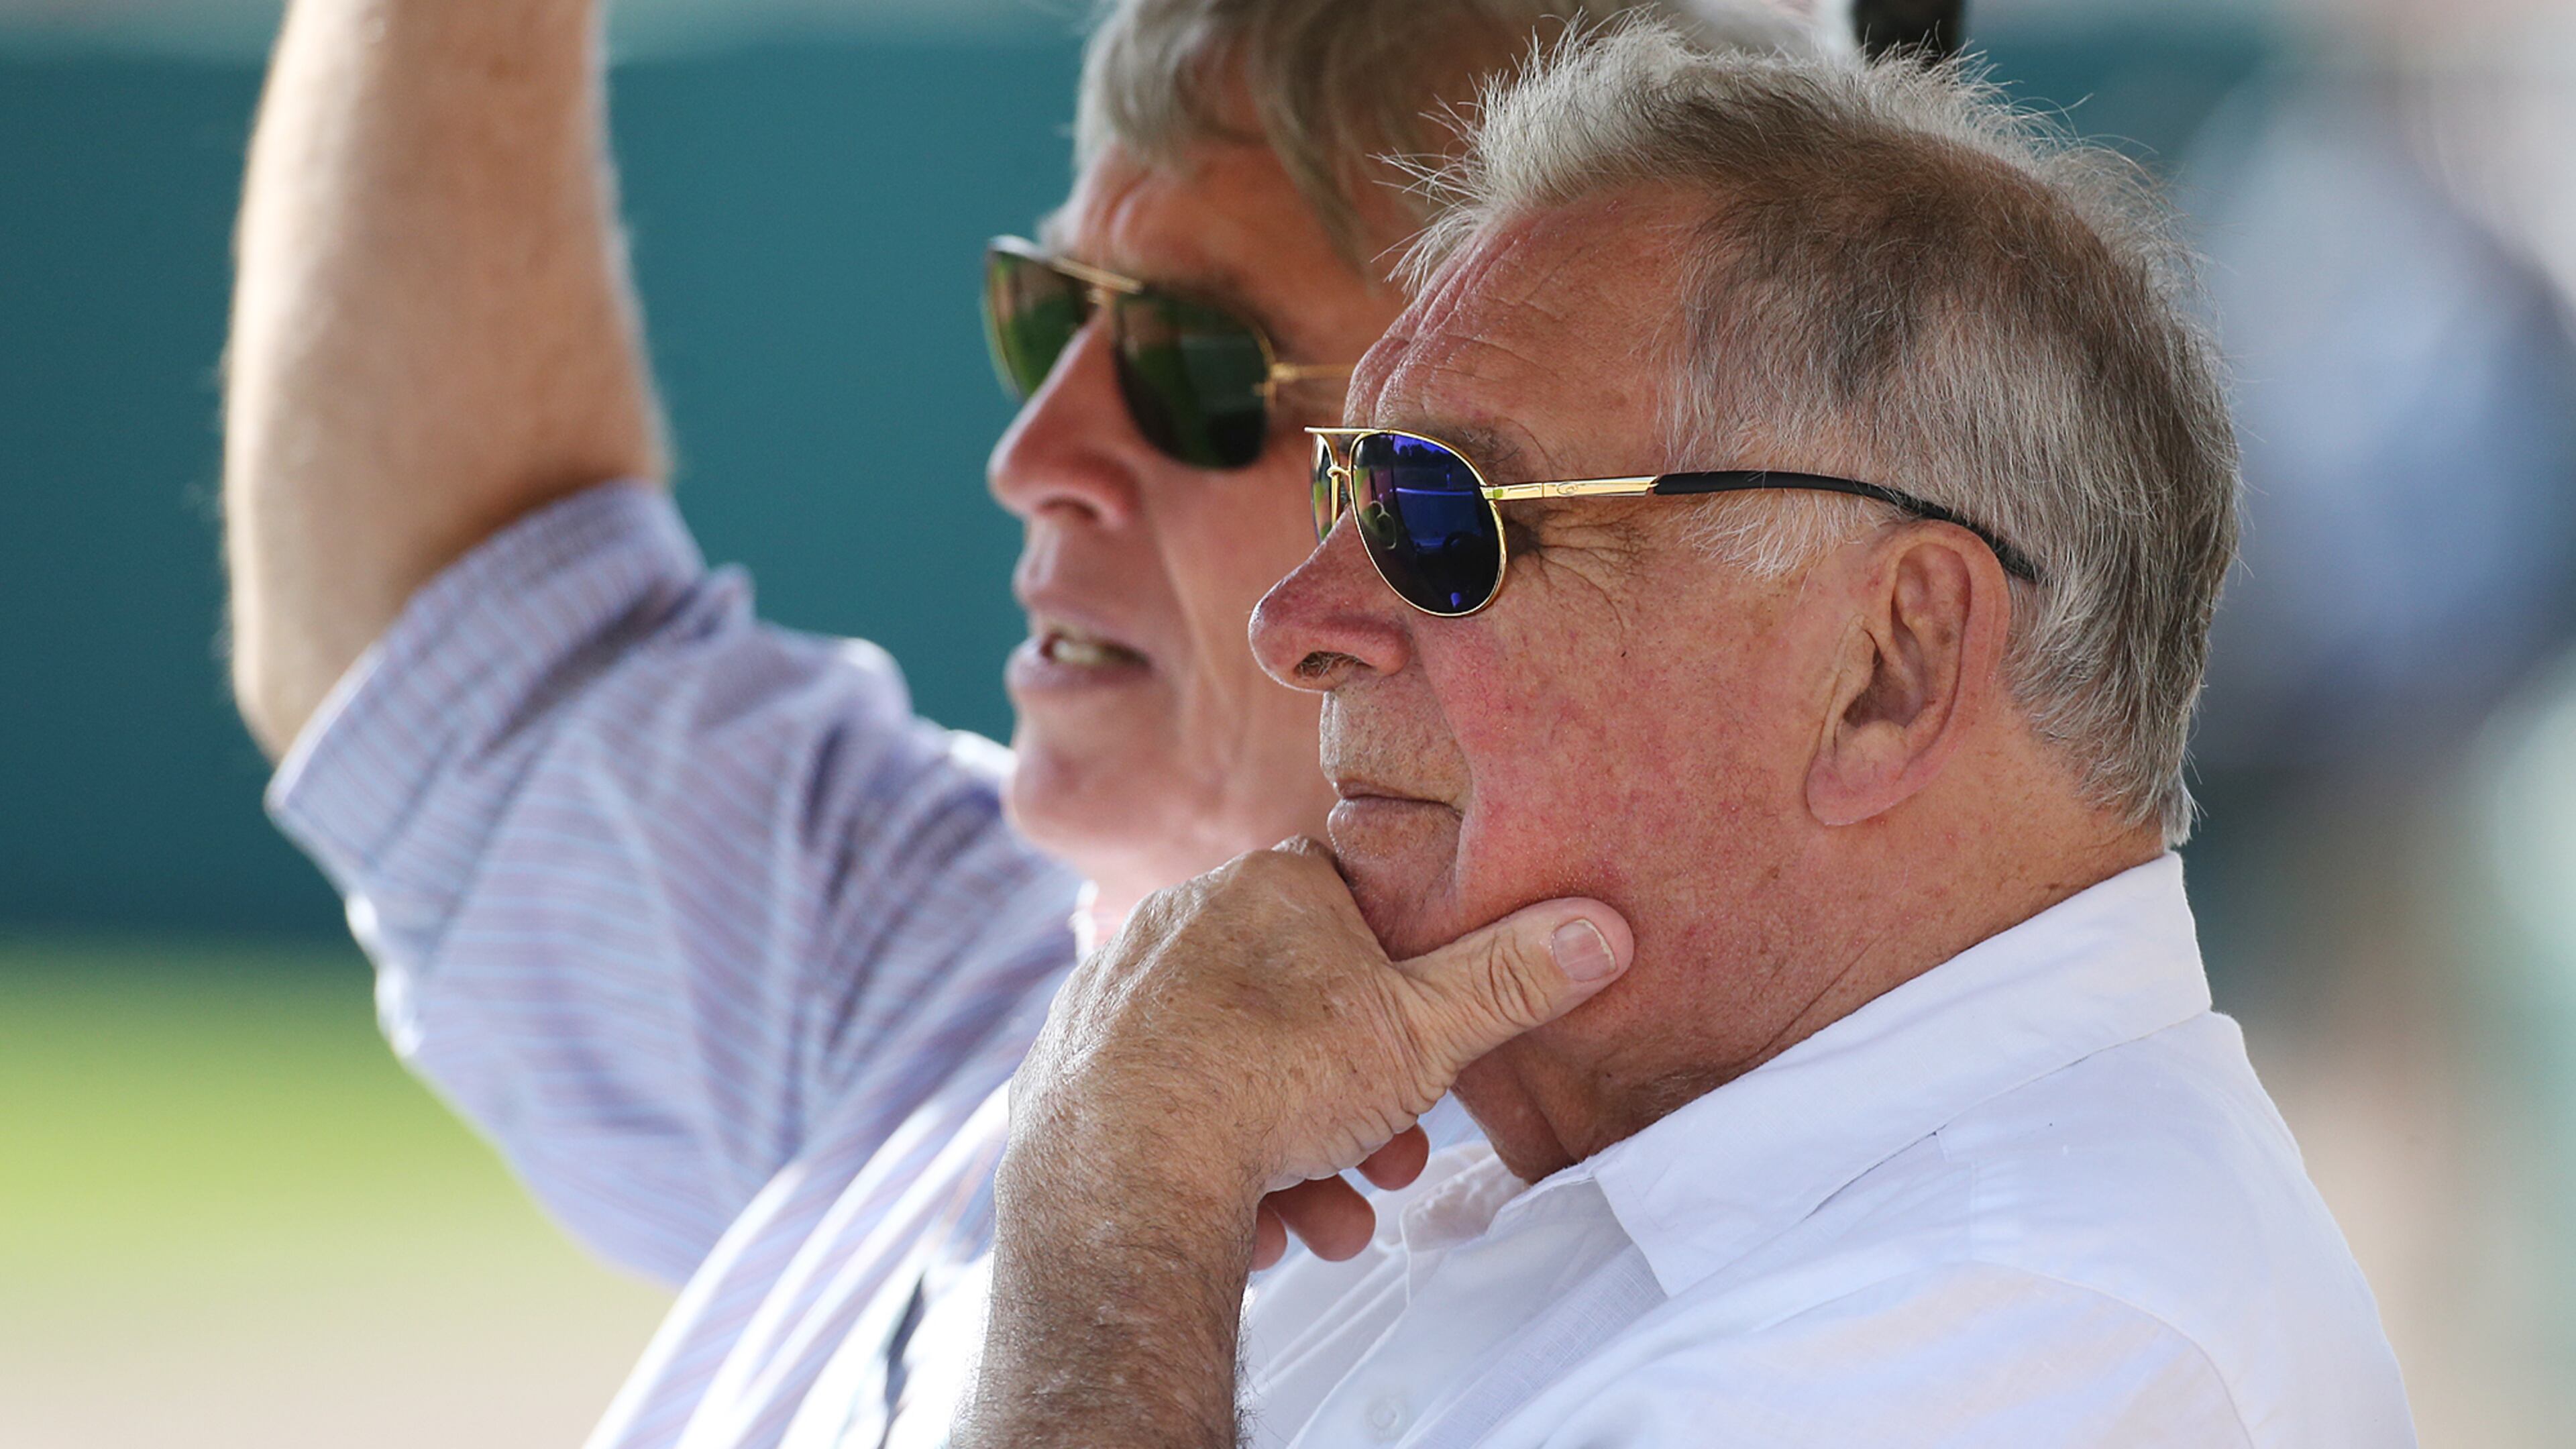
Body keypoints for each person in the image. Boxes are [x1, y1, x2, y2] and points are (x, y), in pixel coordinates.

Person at [219, 1, 1811, 1447]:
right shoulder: (972, 958)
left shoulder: (1763, 1263)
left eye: (1196, 370)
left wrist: (1129, 1191)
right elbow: (447, 632)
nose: (1034, 454)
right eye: (1051, 320)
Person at [955, 26, 2418, 1448]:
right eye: (1356, 492)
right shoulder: (1615, 1193)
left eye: (1444, 517)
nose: (1298, 622)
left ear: (1887, 670)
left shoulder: (2039, 1328)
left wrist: (1114, 1210)